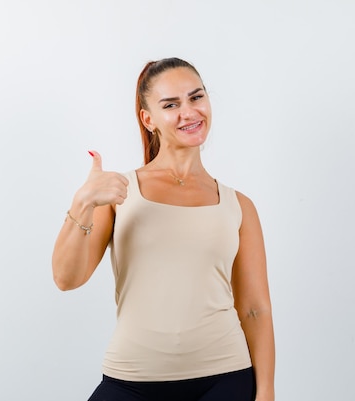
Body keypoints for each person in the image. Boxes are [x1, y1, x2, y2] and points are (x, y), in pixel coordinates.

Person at [52, 58, 275, 401]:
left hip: (226, 378)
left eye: (196, 97)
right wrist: (83, 202)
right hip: (130, 380)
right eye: (171, 104)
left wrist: (266, 392)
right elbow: (67, 279)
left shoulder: (238, 205)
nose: (189, 112)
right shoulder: (118, 194)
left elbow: (255, 308)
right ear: (148, 118)